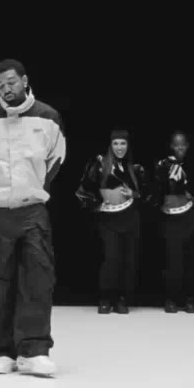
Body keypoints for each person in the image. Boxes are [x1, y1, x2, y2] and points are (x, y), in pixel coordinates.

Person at [0, 59, 67, 377]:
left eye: (11, 82)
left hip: (32, 209)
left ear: (24, 80)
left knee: (38, 280)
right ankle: (5, 349)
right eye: (0, 85)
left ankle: (34, 351)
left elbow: (56, 158)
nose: (6, 89)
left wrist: (34, 185)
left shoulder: (48, 117)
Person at [75, 127, 150, 314]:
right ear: (110, 145)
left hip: (130, 217)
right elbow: (84, 189)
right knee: (111, 258)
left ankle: (122, 299)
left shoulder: (135, 168)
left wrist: (134, 193)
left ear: (128, 145)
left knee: (128, 259)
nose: (119, 147)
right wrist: (96, 205)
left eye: (123, 143)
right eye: (116, 143)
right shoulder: (100, 164)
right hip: (108, 219)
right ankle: (106, 298)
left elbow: (148, 194)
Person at [151, 129, 194, 313]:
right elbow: (155, 189)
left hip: (190, 217)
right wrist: (160, 200)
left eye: (183, 145)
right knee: (172, 259)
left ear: (187, 146)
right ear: (171, 146)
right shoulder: (162, 165)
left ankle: (190, 298)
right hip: (170, 217)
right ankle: (171, 298)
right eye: (176, 145)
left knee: (192, 258)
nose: (180, 148)